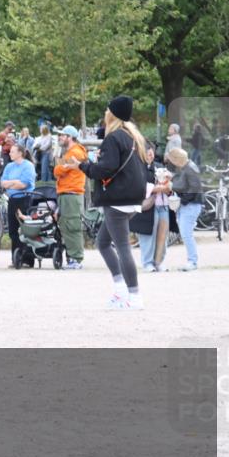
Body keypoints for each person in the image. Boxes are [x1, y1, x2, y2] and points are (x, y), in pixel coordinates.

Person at [64, 96, 148, 309]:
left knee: (122, 247)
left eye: (107, 109)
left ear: (113, 113)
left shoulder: (114, 138)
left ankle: (134, 296)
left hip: (117, 199)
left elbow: (105, 169)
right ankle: (121, 291)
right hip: (132, 197)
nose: (104, 112)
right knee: (102, 242)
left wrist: (82, 166)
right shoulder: (133, 136)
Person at [130, 144, 173, 273]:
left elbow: (169, 186)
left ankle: (159, 262)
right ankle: (147, 262)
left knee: (163, 236)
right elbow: (137, 187)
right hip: (146, 206)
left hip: (163, 206)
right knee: (148, 235)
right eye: (148, 153)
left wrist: (168, 186)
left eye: (152, 153)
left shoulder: (159, 167)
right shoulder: (136, 168)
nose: (151, 155)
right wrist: (156, 188)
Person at [52, 125, 87, 270]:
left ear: (70, 137)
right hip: (67, 194)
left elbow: (59, 170)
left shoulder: (75, 153)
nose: (60, 137)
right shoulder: (70, 153)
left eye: (62, 135)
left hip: (72, 194)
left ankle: (76, 259)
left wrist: (60, 167)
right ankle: (73, 258)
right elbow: (60, 169)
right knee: (67, 225)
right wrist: (60, 166)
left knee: (72, 226)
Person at [165, 147, 203, 272]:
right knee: (186, 233)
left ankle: (192, 261)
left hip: (190, 205)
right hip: (188, 204)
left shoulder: (189, 168)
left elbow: (194, 189)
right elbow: (185, 184)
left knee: (186, 234)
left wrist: (182, 200)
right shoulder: (187, 166)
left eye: (172, 160)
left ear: (176, 159)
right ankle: (192, 261)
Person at [0, 143, 35, 266]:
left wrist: (12, 184)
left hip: (25, 199)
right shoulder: (9, 166)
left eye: (12, 152)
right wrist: (14, 182)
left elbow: (23, 185)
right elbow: (3, 183)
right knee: (13, 230)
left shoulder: (28, 166)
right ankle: (16, 258)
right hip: (13, 199)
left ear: (20, 153)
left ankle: (28, 259)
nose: (10, 153)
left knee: (26, 229)